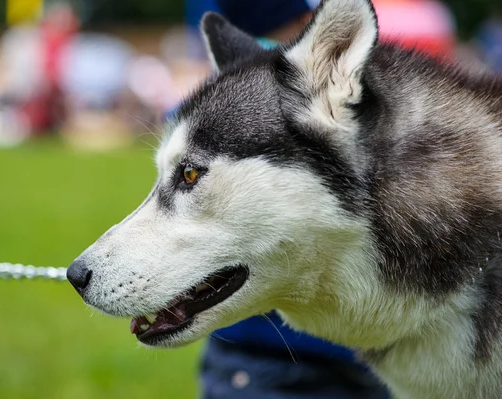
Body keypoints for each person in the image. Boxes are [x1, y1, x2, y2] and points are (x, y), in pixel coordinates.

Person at [192, 0, 456, 398]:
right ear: (303, 21)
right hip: (278, 355)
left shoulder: (226, 105)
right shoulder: (288, 98)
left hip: (345, 350)